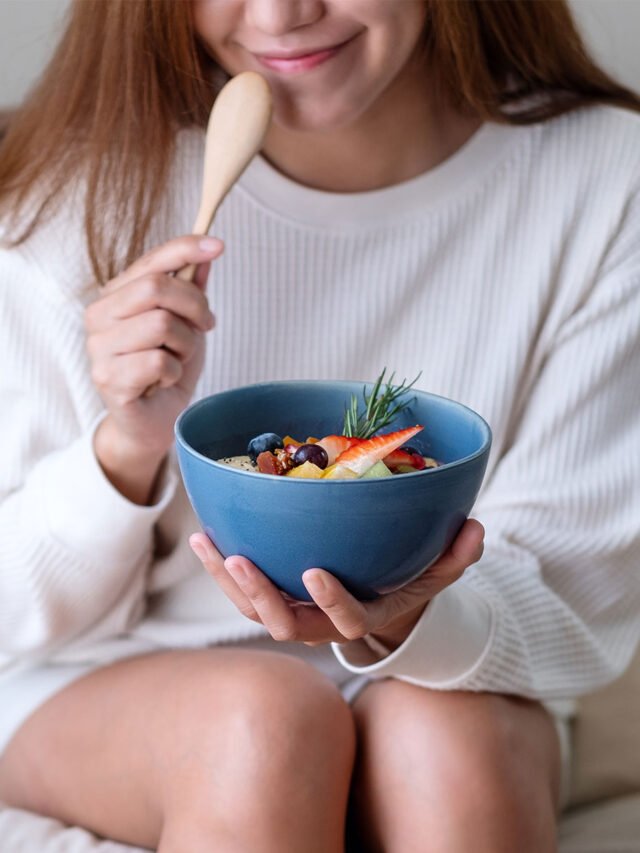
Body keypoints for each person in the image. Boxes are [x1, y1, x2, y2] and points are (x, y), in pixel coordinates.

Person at [0, 0, 639, 850]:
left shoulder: (603, 177)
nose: (280, 15)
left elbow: (578, 593)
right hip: (105, 680)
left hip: (453, 667)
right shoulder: (74, 194)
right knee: (265, 723)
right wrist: (127, 446)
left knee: (453, 744)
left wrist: (405, 615)